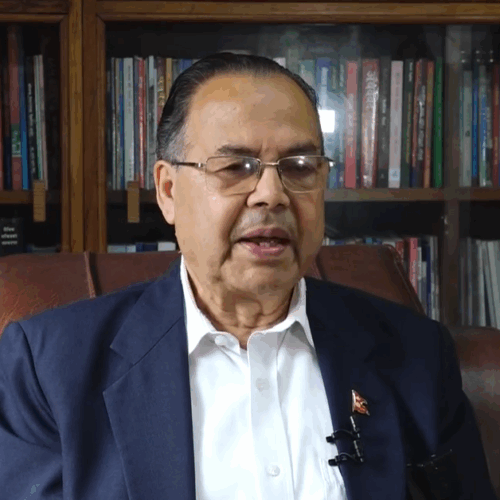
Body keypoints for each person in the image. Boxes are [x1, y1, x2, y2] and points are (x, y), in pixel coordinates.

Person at [0, 53, 495, 500]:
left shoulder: (417, 354)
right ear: (168, 191)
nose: (271, 194)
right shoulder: (48, 369)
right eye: (236, 166)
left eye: (298, 166)